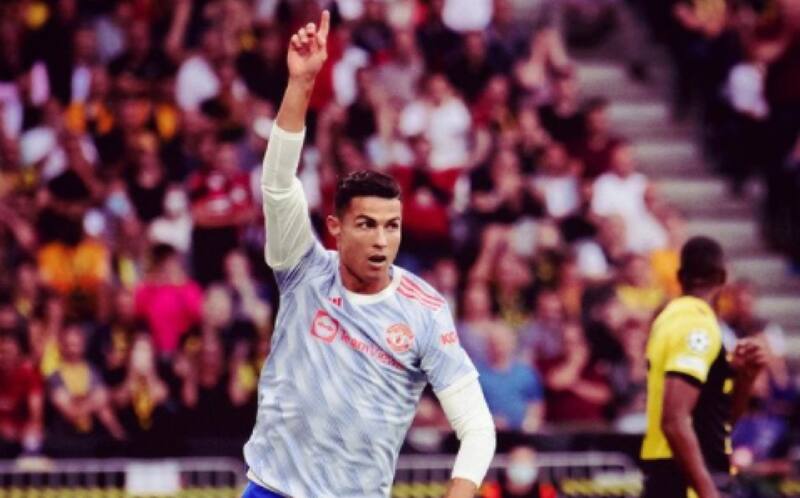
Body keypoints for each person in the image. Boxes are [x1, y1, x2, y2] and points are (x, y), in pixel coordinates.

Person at [242, 12, 495, 498]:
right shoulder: (303, 270)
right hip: (270, 490)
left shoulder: (424, 311)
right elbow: (277, 184)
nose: (381, 240)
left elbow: (478, 429)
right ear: (335, 229)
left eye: (391, 226)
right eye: (366, 225)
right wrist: (302, 83)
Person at [640, 236, 768, 498]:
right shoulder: (696, 326)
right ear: (723, 278)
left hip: (675, 472)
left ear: (680, 277)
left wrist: (745, 377)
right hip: (684, 479)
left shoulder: (668, 320)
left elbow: (719, 424)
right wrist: (708, 493)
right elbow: (674, 420)